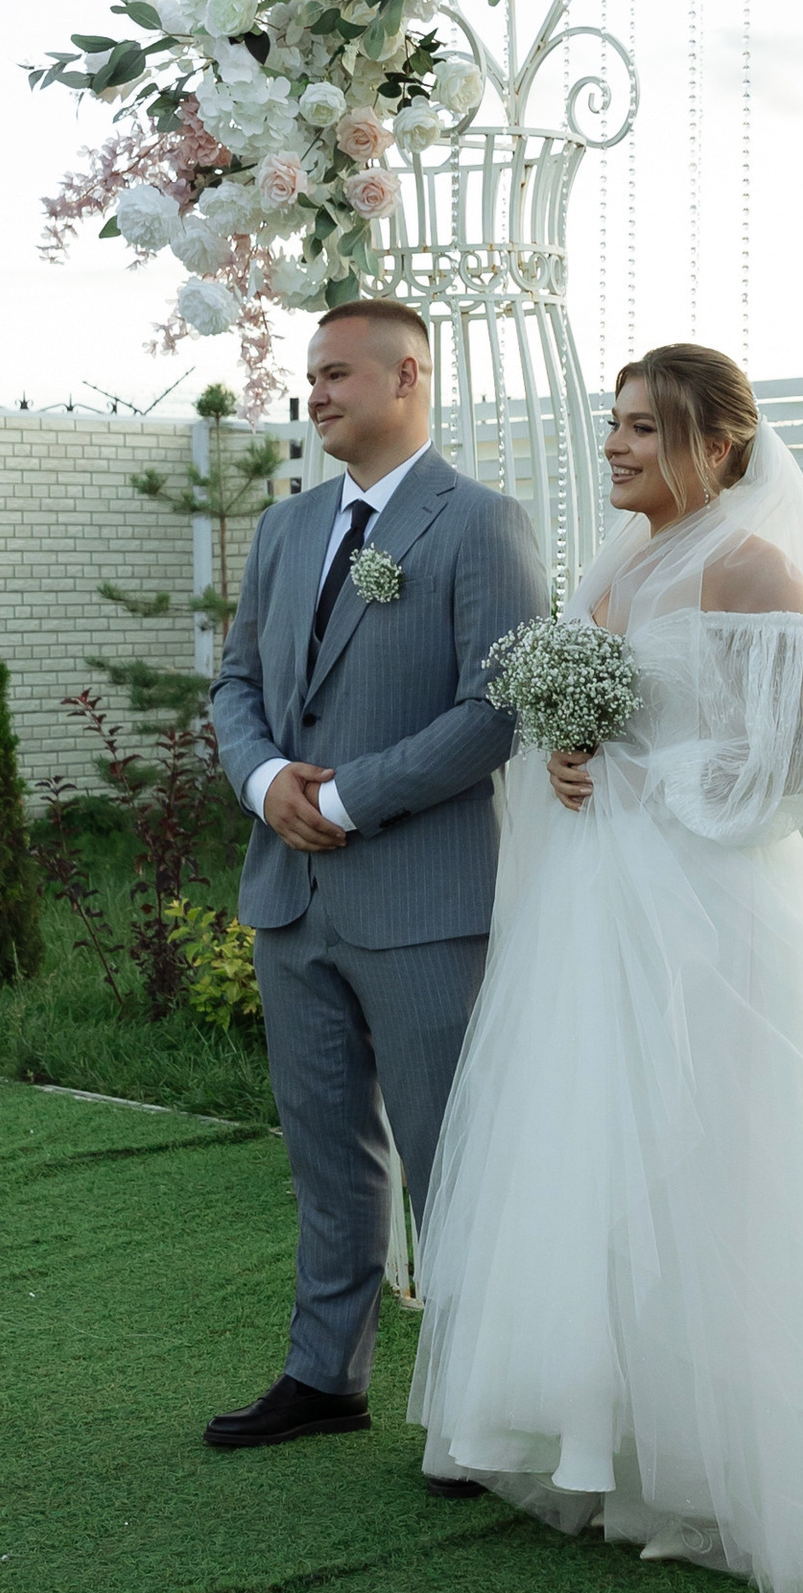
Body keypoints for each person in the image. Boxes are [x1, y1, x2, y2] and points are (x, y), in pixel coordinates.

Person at [409, 345, 803, 1593]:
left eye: (642, 428)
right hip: (600, 909)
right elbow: (610, 721)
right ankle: (618, 1443)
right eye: (613, 425)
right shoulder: (620, 563)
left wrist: (641, 781)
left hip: (712, 918)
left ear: (720, 445)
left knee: (718, 1162)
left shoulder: (749, 563)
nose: (614, 447)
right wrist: (570, 758)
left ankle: (742, 1474)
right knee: (600, 1155)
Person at [205, 300, 547, 1449]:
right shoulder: (285, 528)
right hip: (289, 895)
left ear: (408, 375)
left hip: (421, 903)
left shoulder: (481, 524)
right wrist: (266, 787)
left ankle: (473, 1411)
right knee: (323, 1149)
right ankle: (325, 1378)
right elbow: (235, 685)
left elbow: (496, 710)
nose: (315, 393)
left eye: (336, 372)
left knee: (452, 1164)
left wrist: (343, 796)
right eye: (309, 374)